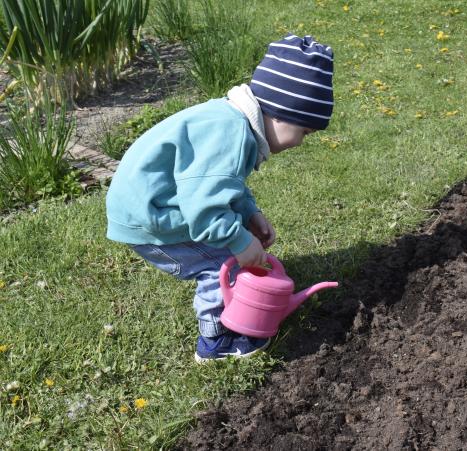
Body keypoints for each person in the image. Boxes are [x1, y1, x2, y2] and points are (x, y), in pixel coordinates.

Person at [105, 34, 334, 362]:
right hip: (150, 215)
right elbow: (205, 209)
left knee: (226, 248)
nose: (300, 143)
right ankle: (217, 341)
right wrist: (239, 241)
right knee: (219, 265)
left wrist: (249, 214)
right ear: (283, 113)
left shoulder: (232, 122)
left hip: (156, 200)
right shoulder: (231, 136)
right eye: (306, 132)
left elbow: (222, 186)